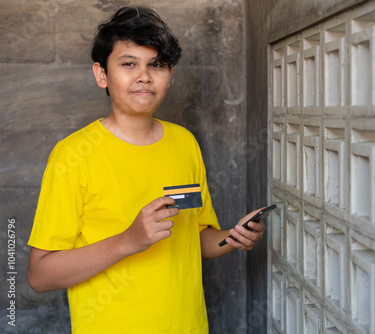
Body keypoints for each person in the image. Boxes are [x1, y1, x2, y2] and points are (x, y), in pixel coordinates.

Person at [27, 6, 265, 334]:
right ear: (101, 75)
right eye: (128, 64)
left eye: (156, 65)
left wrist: (232, 238)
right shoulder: (72, 156)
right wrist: (129, 240)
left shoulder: (184, 143)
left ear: (170, 76)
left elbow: (193, 239)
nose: (144, 76)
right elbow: (40, 276)